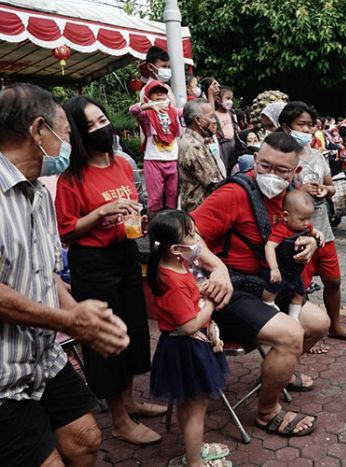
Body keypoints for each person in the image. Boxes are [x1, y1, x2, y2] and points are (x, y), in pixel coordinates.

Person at [0, 83, 130, 467]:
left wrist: (84, 319)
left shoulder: (38, 191)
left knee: (86, 438)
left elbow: (42, 270)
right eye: (67, 133)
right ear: (38, 130)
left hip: (42, 356)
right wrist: (68, 319)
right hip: (4, 370)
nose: (70, 143)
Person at [191, 132, 329, 436]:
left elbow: (305, 227)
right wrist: (216, 268)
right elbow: (187, 233)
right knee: (291, 334)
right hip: (231, 291)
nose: (271, 175)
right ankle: (268, 412)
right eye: (265, 166)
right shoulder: (234, 193)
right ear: (255, 160)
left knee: (319, 324)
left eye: (281, 170)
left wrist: (312, 241)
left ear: (296, 172)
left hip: (270, 285)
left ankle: (279, 371)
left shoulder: (292, 194)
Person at [56, 95, 165, 446]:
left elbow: (130, 209)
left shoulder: (120, 164)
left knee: (133, 328)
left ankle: (130, 402)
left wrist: (138, 222)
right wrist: (103, 212)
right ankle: (118, 419)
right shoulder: (71, 178)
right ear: (78, 135)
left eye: (102, 120)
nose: (101, 128)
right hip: (93, 263)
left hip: (126, 253)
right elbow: (66, 231)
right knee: (108, 337)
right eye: (90, 126)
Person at [147, 210, 232, 467]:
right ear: (176, 248)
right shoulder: (172, 279)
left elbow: (187, 301)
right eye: (192, 234)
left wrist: (199, 292)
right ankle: (194, 461)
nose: (197, 239)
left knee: (188, 405)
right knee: (196, 410)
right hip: (188, 348)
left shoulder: (175, 267)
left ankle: (193, 449)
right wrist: (210, 303)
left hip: (183, 347)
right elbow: (189, 325)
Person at [279, 101, 346, 351]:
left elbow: (330, 186)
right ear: (286, 128)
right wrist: (298, 190)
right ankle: (308, 331)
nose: (306, 129)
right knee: (300, 286)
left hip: (323, 230)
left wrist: (324, 190)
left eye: (309, 125)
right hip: (295, 234)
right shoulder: (282, 156)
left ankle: (335, 325)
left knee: (334, 281)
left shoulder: (317, 155)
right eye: (300, 125)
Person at [263, 190, 323, 320]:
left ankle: (294, 318)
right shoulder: (282, 230)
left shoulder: (304, 227)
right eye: (302, 219)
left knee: (299, 293)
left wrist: (318, 235)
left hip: (295, 272)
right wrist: (274, 268)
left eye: (309, 219)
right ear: (285, 216)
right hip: (282, 270)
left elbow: (313, 231)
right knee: (272, 289)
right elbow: (269, 246)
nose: (306, 223)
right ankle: (268, 304)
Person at [130, 80, 182, 213]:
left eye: (163, 92)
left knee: (173, 193)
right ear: (148, 96)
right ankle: (154, 221)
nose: (159, 95)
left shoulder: (174, 112)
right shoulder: (146, 114)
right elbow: (132, 110)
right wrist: (149, 106)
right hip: (153, 159)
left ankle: (172, 220)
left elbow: (190, 109)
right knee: (155, 196)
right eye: (154, 93)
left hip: (172, 158)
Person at [178, 98, 226, 212]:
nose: (215, 121)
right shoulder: (194, 146)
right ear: (198, 120)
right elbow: (215, 183)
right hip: (200, 210)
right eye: (211, 117)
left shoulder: (196, 140)